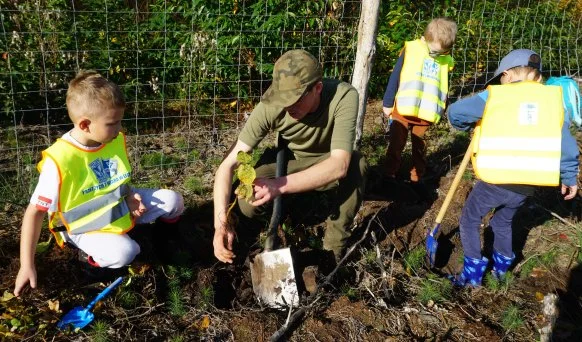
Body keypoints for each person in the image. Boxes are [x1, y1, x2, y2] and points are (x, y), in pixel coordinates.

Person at [13, 71, 184, 296]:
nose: (120, 128)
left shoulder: (112, 140)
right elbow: (34, 212)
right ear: (85, 125)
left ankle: (164, 243)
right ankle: (91, 262)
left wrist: (130, 197)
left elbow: (116, 181)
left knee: (174, 201)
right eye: (113, 123)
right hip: (81, 227)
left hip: (119, 208)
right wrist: (27, 264)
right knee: (126, 252)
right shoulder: (60, 160)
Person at [213, 49, 368, 264]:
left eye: (295, 100)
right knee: (247, 206)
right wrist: (220, 225)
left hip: (325, 162)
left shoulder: (343, 96)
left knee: (356, 165)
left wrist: (278, 185)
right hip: (288, 162)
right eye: (283, 100)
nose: (287, 108)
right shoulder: (271, 106)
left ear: (318, 88)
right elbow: (227, 165)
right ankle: (283, 219)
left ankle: (332, 252)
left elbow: (339, 165)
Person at [447, 49, 579, 287]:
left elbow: (456, 112)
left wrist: (469, 125)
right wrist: (569, 176)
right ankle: (501, 268)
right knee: (501, 222)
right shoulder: (553, 102)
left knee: (470, 218)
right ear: (538, 77)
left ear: (507, 75)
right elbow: (566, 145)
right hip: (527, 184)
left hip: (496, 178)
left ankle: (473, 271)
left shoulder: (496, 97)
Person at [382, 17, 457, 184]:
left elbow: (443, 86)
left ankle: (417, 178)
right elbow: (395, 76)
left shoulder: (445, 59)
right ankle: (389, 175)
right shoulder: (411, 50)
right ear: (425, 39)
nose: (438, 55)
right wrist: (387, 103)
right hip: (403, 108)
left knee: (420, 148)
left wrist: (443, 107)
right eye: (435, 51)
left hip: (426, 113)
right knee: (395, 144)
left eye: (443, 52)